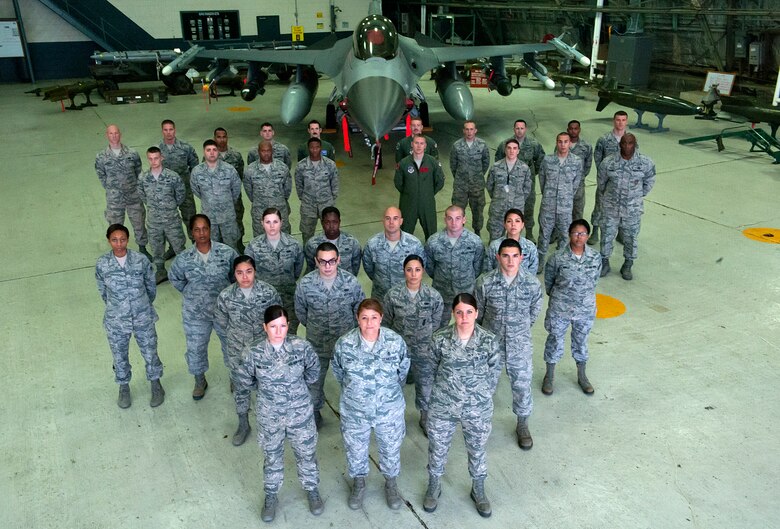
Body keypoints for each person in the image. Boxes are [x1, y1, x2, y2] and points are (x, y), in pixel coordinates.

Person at [233, 305, 324, 522]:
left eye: (282, 326)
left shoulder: (301, 347)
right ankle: (271, 495)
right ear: (265, 327)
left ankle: (312, 489)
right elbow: (245, 379)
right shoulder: (253, 352)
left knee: (306, 454)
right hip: (269, 415)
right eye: (273, 326)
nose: (278, 331)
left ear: (288, 326)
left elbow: (313, 372)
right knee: (272, 457)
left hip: (299, 412)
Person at [423, 294, 500, 518]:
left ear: (476, 313)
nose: (464, 317)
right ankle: (434, 485)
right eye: (459, 312)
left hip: (477, 407)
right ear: (453, 314)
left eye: (468, 312)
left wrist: (481, 395)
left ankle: (478, 489)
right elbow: (430, 368)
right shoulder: (440, 339)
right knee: (437, 448)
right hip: (443, 406)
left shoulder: (488, 340)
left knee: (477, 449)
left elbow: (494, 372)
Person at [332, 299, 410, 510]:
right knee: (355, 450)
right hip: (355, 410)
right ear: (357, 319)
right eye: (364, 318)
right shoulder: (344, 344)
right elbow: (339, 373)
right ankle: (358, 483)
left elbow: (402, 371)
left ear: (381, 318)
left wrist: (387, 394)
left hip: (389, 410)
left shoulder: (395, 342)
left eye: (374, 318)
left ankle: (391, 483)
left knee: (391, 448)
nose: (369, 323)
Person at [474, 239, 543, 450]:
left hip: (519, 345)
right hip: (491, 347)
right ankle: (481, 425)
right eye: (505, 255)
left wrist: (517, 332)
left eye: (515, 256)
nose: (510, 260)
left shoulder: (532, 284)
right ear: (498, 257)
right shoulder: (485, 283)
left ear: (522, 258)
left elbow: (533, 313)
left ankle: (522, 424)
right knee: (485, 387)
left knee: (522, 386)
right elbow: (479, 315)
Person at [294, 242, 365, 428]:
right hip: (317, 343)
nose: (327, 266)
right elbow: (301, 312)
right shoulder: (306, 285)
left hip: (345, 344)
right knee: (314, 381)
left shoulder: (351, 283)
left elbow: (360, 310)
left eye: (332, 261)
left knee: (351, 381)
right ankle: (315, 412)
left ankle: (352, 415)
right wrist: (315, 327)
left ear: (338, 260)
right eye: (323, 261)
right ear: (316, 261)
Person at [214, 256, 282, 446]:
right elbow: (220, 324)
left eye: (249, 271)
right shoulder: (226, 297)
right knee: (241, 389)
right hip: (238, 351)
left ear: (255, 271)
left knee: (267, 387)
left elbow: (277, 319)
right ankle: (243, 423)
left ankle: (271, 424)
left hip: (264, 350)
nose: (245, 277)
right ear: (234, 274)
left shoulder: (268, 292)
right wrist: (235, 340)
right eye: (239, 272)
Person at [169, 214, 238, 400]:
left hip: (223, 312)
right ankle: (200, 380)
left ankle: (235, 377)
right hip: (196, 314)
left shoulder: (227, 253)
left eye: (205, 228)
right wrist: (193, 294)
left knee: (231, 346)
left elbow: (236, 277)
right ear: (191, 233)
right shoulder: (184, 259)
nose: (202, 233)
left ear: (210, 229)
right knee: (196, 348)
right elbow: (175, 279)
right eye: (197, 229)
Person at [95, 224, 164, 409]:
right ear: (109, 240)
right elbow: (103, 291)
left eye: (123, 239)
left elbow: (151, 287)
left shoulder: (140, 260)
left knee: (150, 352)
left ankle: (156, 385)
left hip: (142, 316)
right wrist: (119, 307)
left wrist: (140, 305)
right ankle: (123, 387)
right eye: (114, 240)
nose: (119, 244)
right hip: (116, 320)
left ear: (128, 239)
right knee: (119, 356)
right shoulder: (102, 264)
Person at [383, 254, 444, 435]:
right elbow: (387, 322)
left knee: (425, 385)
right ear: (404, 272)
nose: (413, 274)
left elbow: (436, 321)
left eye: (417, 269)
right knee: (395, 386)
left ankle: (425, 417)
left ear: (423, 271)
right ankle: (396, 419)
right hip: (399, 351)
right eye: (409, 270)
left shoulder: (433, 296)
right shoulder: (393, 295)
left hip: (424, 350)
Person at [542, 219, 601, 396]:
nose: (579, 237)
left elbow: (595, 280)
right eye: (575, 233)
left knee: (581, 343)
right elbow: (549, 282)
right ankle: (549, 376)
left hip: (585, 309)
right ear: (569, 235)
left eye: (583, 233)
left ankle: (582, 376)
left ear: (588, 235)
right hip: (560, 308)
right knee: (555, 341)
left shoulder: (595, 257)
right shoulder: (557, 258)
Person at [598, 133, 655, 280]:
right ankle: (605, 262)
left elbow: (649, 181)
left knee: (631, 238)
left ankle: (628, 264)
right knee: (606, 236)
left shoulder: (645, 163)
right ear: (619, 144)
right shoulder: (608, 162)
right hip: (611, 208)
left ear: (635, 145)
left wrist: (637, 195)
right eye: (624, 143)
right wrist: (610, 197)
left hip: (632, 210)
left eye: (630, 143)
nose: (627, 146)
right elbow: (602, 183)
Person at [244, 208, 304, 333]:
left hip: (288, 297)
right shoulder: (253, 246)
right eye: (268, 222)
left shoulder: (293, 244)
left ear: (281, 223)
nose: (272, 226)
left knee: (289, 333)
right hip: (263, 299)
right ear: (262, 223)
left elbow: (297, 269)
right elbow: (249, 271)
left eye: (275, 222)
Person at [424, 205, 484, 328]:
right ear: (445, 219)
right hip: (441, 292)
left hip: (466, 292)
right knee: (438, 327)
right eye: (450, 218)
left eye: (457, 218)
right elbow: (429, 267)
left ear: (464, 219)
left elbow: (478, 266)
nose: (454, 223)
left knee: (466, 326)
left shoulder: (474, 242)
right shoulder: (433, 242)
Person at [95, 125, 149, 260]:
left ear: (120, 134)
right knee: (115, 227)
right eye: (111, 133)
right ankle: (118, 252)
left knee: (139, 223)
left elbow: (138, 171)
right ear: (107, 135)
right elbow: (101, 176)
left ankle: (143, 248)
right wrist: (112, 188)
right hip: (114, 199)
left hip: (133, 196)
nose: (114, 136)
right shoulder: (101, 157)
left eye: (116, 133)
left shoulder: (132, 153)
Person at [137, 146, 187, 284]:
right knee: (156, 247)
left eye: (156, 158)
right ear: (148, 159)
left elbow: (181, 194)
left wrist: (170, 206)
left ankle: (183, 271)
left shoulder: (172, 177)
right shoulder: (143, 178)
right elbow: (142, 195)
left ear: (161, 158)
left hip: (171, 219)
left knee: (179, 246)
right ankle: (160, 270)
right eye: (151, 159)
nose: (154, 161)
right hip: (154, 221)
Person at [536, 132, 583, 272]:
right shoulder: (547, 160)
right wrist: (549, 195)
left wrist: (566, 196)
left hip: (565, 207)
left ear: (569, 143)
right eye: (560, 141)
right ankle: (540, 261)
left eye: (565, 142)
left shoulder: (576, 161)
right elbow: (542, 180)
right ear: (556, 143)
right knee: (544, 234)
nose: (563, 145)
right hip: (548, 206)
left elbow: (576, 184)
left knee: (565, 235)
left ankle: (561, 262)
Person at [494, 119, 546, 243]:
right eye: (517, 128)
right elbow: (498, 159)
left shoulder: (534, 144)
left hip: (527, 184)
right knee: (505, 211)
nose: (519, 130)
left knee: (528, 209)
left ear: (525, 129)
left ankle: (528, 233)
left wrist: (532, 174)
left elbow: (540, 160)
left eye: (522, 128)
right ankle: (504, 235)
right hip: (508, 186)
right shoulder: (505, 144)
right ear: (514, 129)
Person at [362, 206, 426, 301]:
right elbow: (369, 268)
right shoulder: (372, 244)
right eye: (388, 218)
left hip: (406, 299)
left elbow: (421, 267)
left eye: (395, 218)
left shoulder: (414, 244)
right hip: (381, 298)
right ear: (383, 221)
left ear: (401, 221)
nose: (391, 222)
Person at [190, 139, 242, 250]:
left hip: (227, 217)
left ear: (218, 151)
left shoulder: (229, 170)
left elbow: (236, 190)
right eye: (208, 150)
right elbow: (196, 190)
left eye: (214, 150)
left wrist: (226, 201)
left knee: (231, 247)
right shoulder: (197, 172)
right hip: (209, 218)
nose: (212, 152)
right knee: (212, 247)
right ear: (204, 152)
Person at [588, 110, 629, 245]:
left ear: (626, 122)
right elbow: (598, 159)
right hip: (606, 181)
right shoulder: (604, 140)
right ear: (614, 121)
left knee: (623, 207)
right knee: (600, 205)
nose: (620, 123)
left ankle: (621, 233)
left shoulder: (630, 140)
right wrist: (603, 179)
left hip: (624, 182)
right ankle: (595, 231)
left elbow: (634, 158)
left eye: (623, 120)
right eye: (618, 120)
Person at [394, 135, 445, 240]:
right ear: (412, 144)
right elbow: (398, 182)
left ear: (425, 146)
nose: (419, 146)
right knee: (404, 234)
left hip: (427, 203)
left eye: (421, 143)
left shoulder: (432, 162)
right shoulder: (404, 163)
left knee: (431, 234)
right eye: (416, 143)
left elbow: (439, 181)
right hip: (408, 203)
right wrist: (409, 192)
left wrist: (428, 193)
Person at [485, 139, 533, 240]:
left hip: (516, 208)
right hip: (498, 209)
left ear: (518, 151)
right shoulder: (496, 167)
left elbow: (527, 188)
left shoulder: (524, 168)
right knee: (495, 238)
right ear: (505, 150)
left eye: (515, 148)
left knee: (514, 239)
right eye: (509, 148)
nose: (512, 151)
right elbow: (489, 185)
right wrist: (498, 197)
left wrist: (518, 199)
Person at [449, 120, 491, 236]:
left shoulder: (482, 145)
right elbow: (453, 164)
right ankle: (458, 232)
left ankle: (477, 232)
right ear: (463, 131)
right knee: (457, 211)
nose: (469, 132)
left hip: (477, 186)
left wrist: (477, 175)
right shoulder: (457, 145)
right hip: (460, 186)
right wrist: (460, 177)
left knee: (478, 211)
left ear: (475, 130)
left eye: (471, 129)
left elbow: (485, 162)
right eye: (467, 129)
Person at [244, 140, 293, 236]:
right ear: (258, 152)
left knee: (283, 235)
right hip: (259, 211)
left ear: (272, 151)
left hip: (279, 210)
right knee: (260, 237)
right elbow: (249, 191)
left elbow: (287, 190)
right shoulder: (250, 170)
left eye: (268, 151)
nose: (266, 153)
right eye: (263, 151)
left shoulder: (282, 168)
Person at [295, 137, 339, 243]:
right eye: (312, 148)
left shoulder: (330, 165)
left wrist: (330, 199)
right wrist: (305, 198)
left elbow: (335, 184)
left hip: (326, 204)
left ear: (321, 148)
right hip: (308, 206)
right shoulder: (301, 166)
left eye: (317, 147)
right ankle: (309, 255)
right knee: (307, 233)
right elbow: (299, 186)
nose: (314, 150)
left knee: (330, 231)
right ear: (308, 149)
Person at [158, 119, 198, 231]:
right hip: (167, 192)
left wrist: (188, 181)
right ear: (162, 131)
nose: (168, 132)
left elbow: (195, 166)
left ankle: (195, 242)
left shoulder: (186, 148)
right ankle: (173, 246)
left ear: (175, 130)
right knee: (169, 220)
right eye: (165, 130)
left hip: (185, 190)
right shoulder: (158, 150)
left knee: (191, 218)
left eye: (171, 129)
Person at [212, 127, 247, 252]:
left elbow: (240, 176)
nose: (222, 140)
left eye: (224, 137)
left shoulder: (236, 155)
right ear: (214, 138)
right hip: (217, 200)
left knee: (238, 221)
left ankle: (239, 243)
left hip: (234, 198)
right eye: (219, 137)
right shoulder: (210, 157)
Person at [303, 206, 362, 275]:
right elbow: (311, 267)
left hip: (345, 284)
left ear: (339, 222)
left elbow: (355, 267)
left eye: (335, 222)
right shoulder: (312, 244)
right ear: (322, 223)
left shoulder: (352, 243)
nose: (331, 226)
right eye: (327, 222)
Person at [483, 208, 538, 275]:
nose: (513, 224)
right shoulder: (495, 246)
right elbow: (488, 271)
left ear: (522, 225)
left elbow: (532, 273)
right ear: (505, 225)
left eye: (517, 221)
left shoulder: (530, 247)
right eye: (509, 221)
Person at [567, 120, 593, 221]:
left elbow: (588, 165)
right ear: (568, 130)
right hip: (564, 185)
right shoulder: (562, 144)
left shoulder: (586, 146)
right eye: (571, 129)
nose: (573, 131)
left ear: (579, 130)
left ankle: (576, 234)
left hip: (579, 185)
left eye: (576, 128)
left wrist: (580, 177)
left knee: (578, 211)